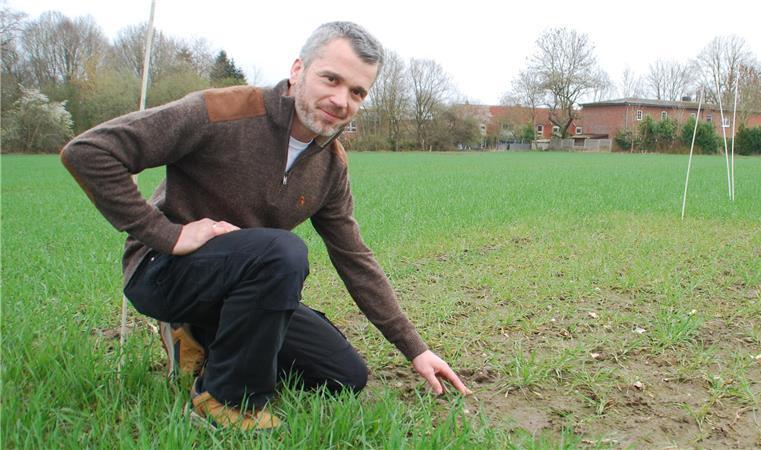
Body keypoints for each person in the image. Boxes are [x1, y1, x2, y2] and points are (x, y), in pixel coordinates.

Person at [60, 21, 470, 431]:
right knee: (283, 252)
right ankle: (224, 401)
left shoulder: (330, 165)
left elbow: (354, 258)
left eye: (357, 92)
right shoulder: (221, 112)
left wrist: (415, 349)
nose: (341, 100)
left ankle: (196, 338)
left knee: (343, 376)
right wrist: (169, 234)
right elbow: (90, 152)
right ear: (298, 70)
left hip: (240, 287)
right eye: (331, 79)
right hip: (162, 272)